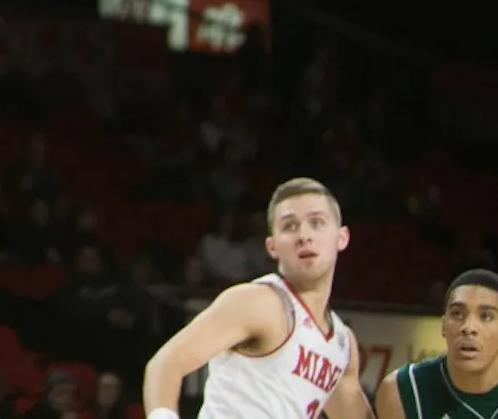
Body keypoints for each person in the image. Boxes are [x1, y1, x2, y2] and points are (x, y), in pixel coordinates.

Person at [143, 178, 372, 419]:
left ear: (342, 237)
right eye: (290, 226)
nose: (304, 235)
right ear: (272, 247)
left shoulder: (342, 344)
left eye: (317, 223)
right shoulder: (259, 302)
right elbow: (166, 364)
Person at [375, 270, 498, 419]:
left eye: (486, 316)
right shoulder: (402, 391)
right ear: (443, 326)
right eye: (457, 314)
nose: (468, 327)